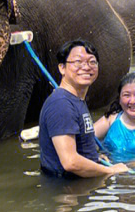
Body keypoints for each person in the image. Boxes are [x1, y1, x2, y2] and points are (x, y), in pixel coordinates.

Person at [38, 39, 130, 179]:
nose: (86, 67)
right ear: (62, 68)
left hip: (80, 185)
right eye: (78, 62)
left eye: (92, 62)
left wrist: (95, 158)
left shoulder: (76, 100)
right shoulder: (61, 104)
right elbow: (70, 162)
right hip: (68, 191)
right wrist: (110, 171)